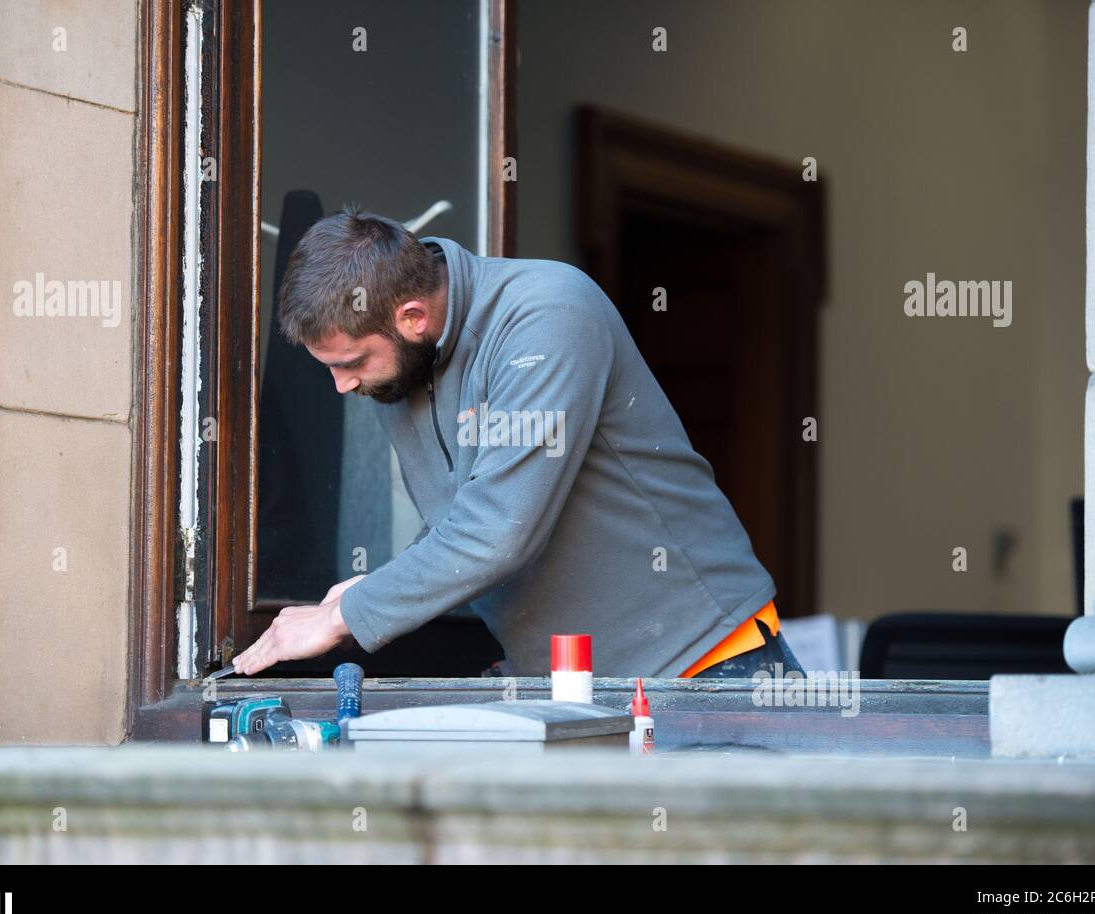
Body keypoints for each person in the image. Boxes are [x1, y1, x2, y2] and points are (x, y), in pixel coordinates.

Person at [230, 210, 806, 680]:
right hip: (581, 683)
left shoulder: (546, 315)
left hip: (706, 661)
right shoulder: (405, 367)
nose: (343, 384)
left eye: (352, 362)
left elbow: (499, 530)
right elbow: (460, 518)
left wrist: (347, 615)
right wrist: (372, 587)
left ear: (411, 317)